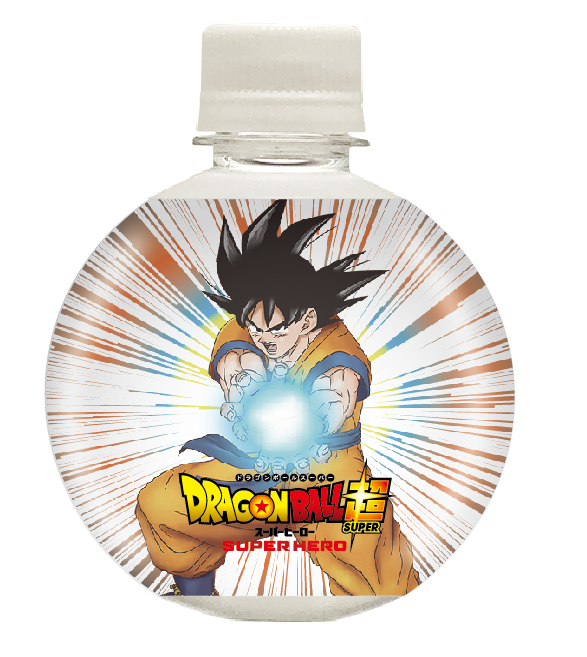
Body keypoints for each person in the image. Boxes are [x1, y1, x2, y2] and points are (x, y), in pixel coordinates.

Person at [136, 200, 420, 596]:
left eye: (276, 329)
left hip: (332, 489)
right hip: (259, 478)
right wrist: (238, 370)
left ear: (308, 319)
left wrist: (323, 412)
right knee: (162, 503)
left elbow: (337, 386)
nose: (264, 338)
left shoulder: (337, 355)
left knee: (379, 579)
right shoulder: (252, 327)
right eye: (255, 328)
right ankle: (198, 603)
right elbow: (237, 349)